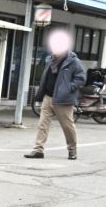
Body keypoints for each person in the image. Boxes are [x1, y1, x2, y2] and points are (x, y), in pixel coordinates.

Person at [26, 27, 85, 160]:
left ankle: (72, 150)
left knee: (67, 126)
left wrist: (67, 88)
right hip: (48, 97)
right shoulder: (50, 59)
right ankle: (38, 150)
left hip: (63, 100)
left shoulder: (74, 61)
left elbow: (80, 79)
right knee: (42, 125)